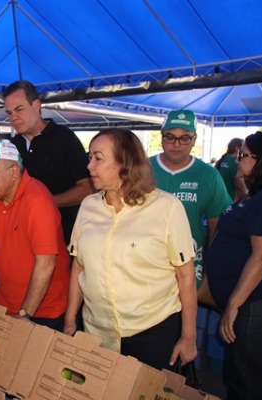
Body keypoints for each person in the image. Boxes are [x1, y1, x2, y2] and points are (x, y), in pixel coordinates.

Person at [64, 128, 197, 371]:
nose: (89, 166)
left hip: (151, 331)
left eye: (98, 158)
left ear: (124, 163)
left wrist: (189, 337)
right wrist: (70, 319)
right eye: (90, 157)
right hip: (97, 330)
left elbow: (185, 275)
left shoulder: (166, 207)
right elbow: (79, 267)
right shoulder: (88, 206)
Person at [0, 140, 70, 331]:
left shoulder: (37, 200)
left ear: (13, 171)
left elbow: (46, 263)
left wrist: (25, 314)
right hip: (6, 304)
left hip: (43, 311)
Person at [205, 131, 262, 400]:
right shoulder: (254, 195)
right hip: (242, 301)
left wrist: (233, 304)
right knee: (237, 372)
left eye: (243, 155)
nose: (238, 160)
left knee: (247, 376)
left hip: (251, 303)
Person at [5, 80, 94, 244]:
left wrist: (44, 203)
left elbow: (88, 187)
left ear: (36, 105)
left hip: (63, 238)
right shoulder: (11, 146)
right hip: (23, 238)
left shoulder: (64, 138)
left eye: (19, 109)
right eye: (9, 113)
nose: (13, 117)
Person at [150, 109, 232, 288]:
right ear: (162, 136)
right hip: (146, 266)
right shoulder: (142, 169)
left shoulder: (209, 176)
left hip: (190, 268)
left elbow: (216, 227)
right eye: (170, 136)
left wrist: (210, 269)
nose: (177, 144)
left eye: (185, 138)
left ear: (194, 140)